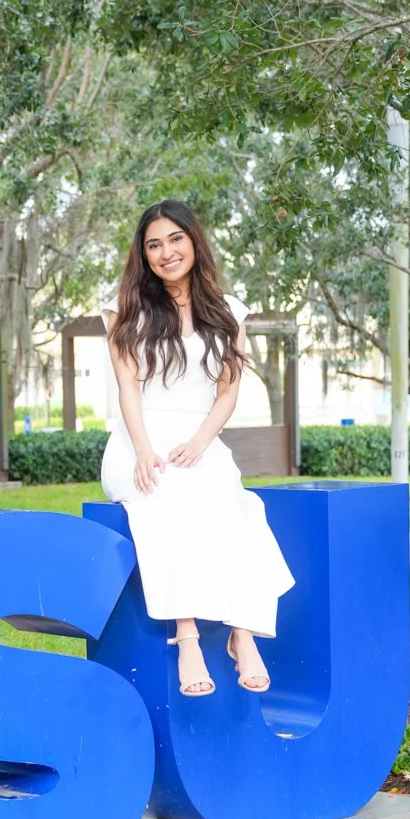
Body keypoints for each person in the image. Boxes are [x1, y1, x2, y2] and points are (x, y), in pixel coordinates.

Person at [101, 199, 294, 697]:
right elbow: (128, 390)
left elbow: (228, 390)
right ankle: (186, 636)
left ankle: (242, 633)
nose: (166, 252)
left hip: (199, 439)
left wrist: (201, 442)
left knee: (237, 505)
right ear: (143, 255)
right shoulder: (125, 311)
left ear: (194, 241)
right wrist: (144, 451)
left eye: (175, 240)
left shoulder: (228, 311)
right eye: (154, 245)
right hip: (138, 440)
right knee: (167, 497)